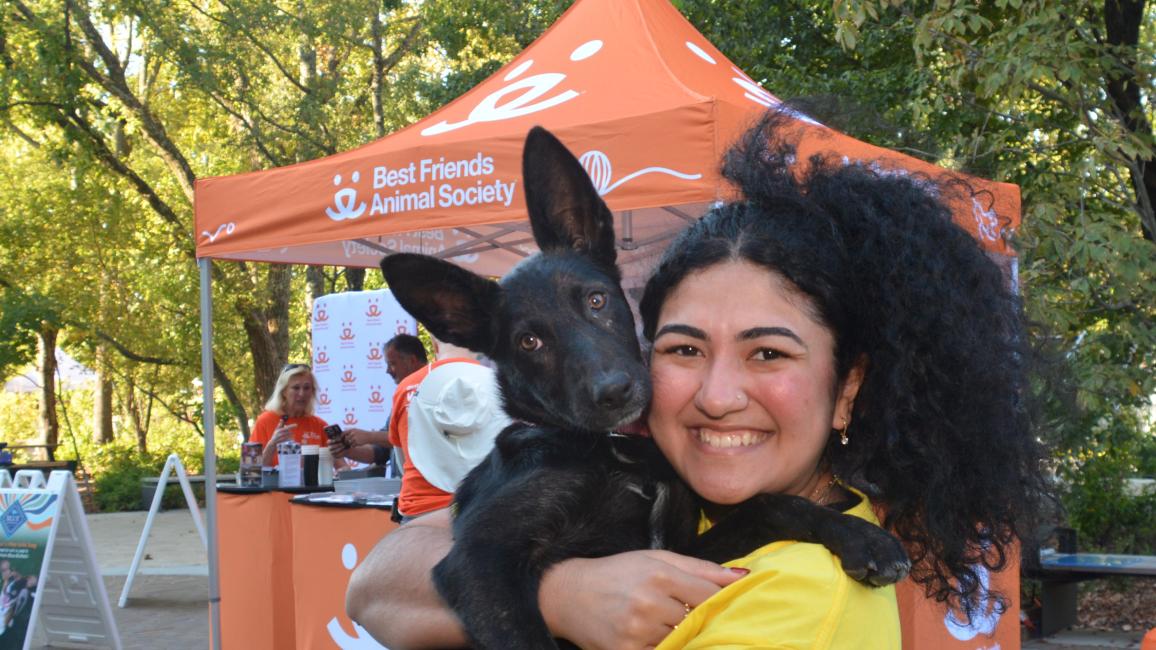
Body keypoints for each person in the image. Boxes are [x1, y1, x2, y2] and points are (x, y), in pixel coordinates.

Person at [345, 112, 1047, 648]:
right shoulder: (635, 462)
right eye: (683, 349)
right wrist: (560, 595)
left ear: (850, 386)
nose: (716, 396)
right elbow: (380, 579)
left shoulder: (800, 603)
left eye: (769, 353)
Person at [249, 363, 329, 467]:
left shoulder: (320, 425)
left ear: (312, 392)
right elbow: (251, 470)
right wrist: (273, 444)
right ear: (283, 392)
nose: (302, 393)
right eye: (296, 388)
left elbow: (341, 465)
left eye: (306, 388)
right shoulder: (265, 420)